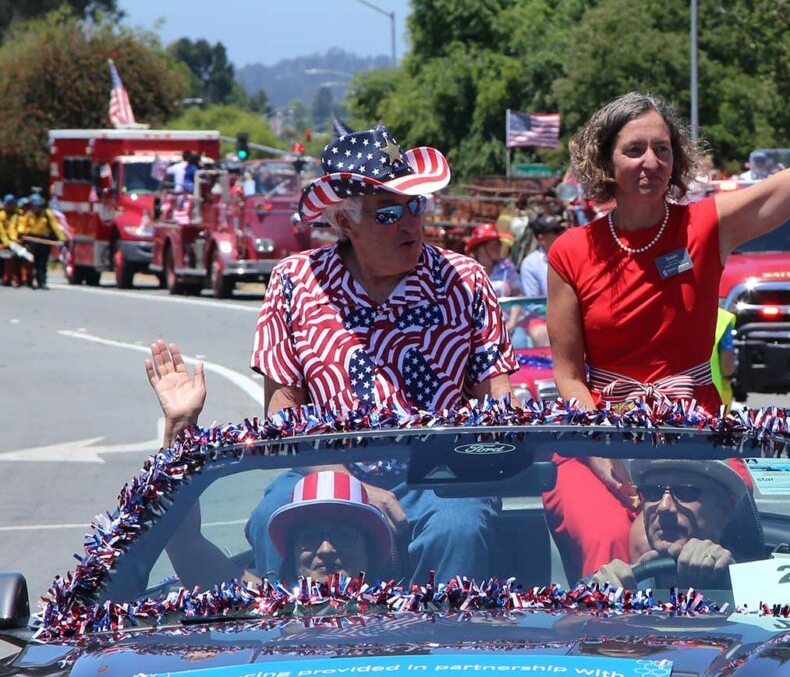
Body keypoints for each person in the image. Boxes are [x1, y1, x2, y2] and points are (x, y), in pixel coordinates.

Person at [543, 0, 790, 581]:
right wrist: (606, 455)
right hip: (597, 443)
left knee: (741, 541)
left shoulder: (706, 223)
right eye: (634, 149)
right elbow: (569, 375)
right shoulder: (569, 251)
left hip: (698, 435)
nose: (650, 160)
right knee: (609, 542)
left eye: (662, 149)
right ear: (607, 162)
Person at [147, 124, 518, 586]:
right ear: (345, 223)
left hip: (440, 473)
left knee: (457, 528)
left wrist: (475, 456)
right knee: (269, 518)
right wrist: (349, 482)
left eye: (415, 205)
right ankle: (281, 644)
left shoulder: (464, 277)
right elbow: (283, 414)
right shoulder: (294, 281)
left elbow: (498, 402)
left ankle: (443, 647)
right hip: (322, 463)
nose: (409, 223)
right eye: (387, 214)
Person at [591, 459, 752, 589]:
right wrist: (593, 603)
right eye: (652, 492)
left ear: (725, 510)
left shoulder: (757, 590)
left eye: (686, 492)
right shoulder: (616, 587)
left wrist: (731, 585)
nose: (664, 507)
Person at [267, 471, 396, 583]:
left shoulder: (406, 610)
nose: (326, 550)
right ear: (293, 554)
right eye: (310, 538)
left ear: (368, 549)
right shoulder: (260, 610)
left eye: (344, 536)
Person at [22, 193, 67, 289]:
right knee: (30, 262)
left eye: (38, 205)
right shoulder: (29, 214)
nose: (37, 208)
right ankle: (28, 280)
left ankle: (42, 281)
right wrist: (22, 234)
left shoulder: (47, 213)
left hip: (44, 240)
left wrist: (62, 238)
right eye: (35, 205)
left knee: (42, 262)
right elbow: (22, 226)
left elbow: (55, 226)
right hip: (31, 240)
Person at [466, 223, 521, 297]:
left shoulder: (507, 267)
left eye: (500, 243)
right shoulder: (467, 270)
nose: (500, 247)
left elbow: (518, 296)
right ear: (480, 249)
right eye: (495, 245)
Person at [519, 213, 566, 298]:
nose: (561, 234)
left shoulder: (569, 258)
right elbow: (532, 304)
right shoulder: (530, 264)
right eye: (556, 231)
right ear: (541, 239)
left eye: (561, 230)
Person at [711, 308, 737, 411]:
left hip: (671, 395)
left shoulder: (667, 311)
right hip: (711, 398)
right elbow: (727, 368)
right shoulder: (722, 318)